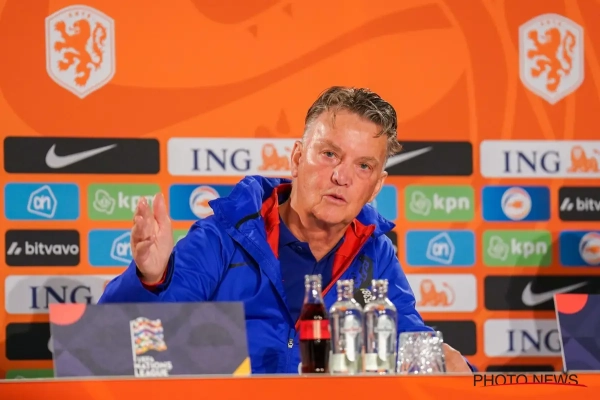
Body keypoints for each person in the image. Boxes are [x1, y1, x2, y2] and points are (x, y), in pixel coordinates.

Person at [98, 86, 475, 374]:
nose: (341, 177)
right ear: (297, 158)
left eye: (363, 166)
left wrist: (453, 367)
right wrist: (151, 280)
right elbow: (114, 343)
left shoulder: (376, 256)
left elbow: (411, 345)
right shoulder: (223, 238)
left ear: (377, 185)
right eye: (329, 154)